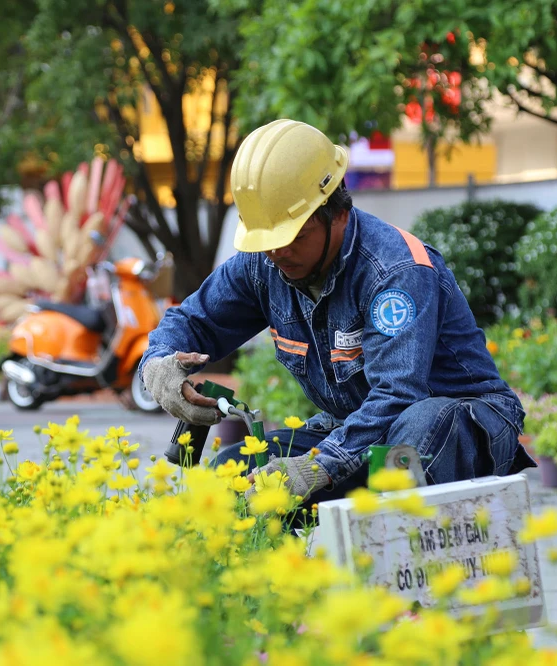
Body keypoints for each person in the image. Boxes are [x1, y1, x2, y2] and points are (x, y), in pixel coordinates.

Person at [138, 118, 535, 505]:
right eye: (268, 240)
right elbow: (190, 321)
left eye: (293, 236)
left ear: (337, 211)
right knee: (233, 474)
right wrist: (159, 366)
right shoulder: (265, 264)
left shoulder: (396, 273)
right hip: (358, 430)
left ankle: (399, 563)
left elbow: (397, 396)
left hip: (453, 429)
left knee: (409, 441)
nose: (278, 253)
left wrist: (318, 466)